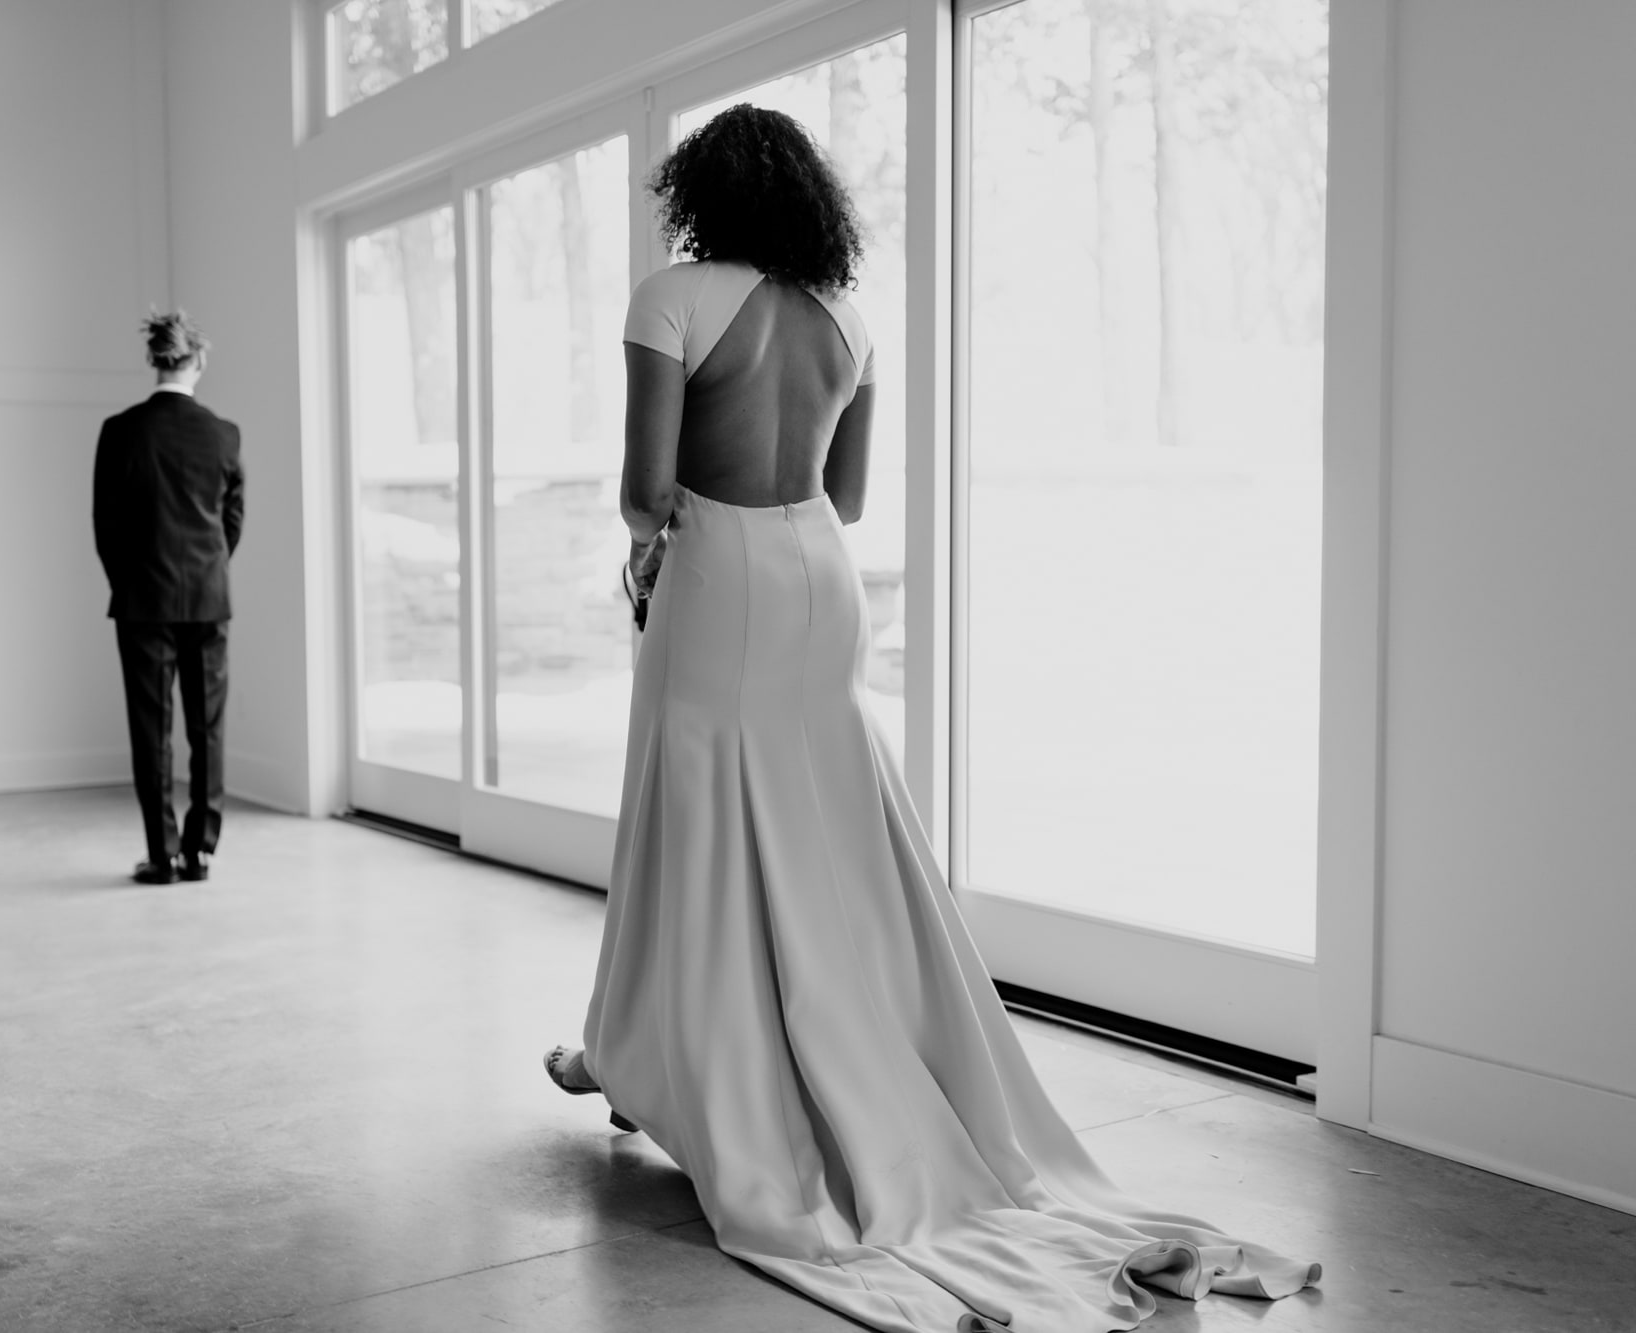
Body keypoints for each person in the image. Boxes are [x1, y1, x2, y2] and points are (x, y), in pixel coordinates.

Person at [543, 106, 1319, 1333]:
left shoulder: (671, 294)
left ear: (701, 193)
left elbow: (647, 494)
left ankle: (653, 1066)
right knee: (831, 825)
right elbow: (843, 495)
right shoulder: (848, 318)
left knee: (690, 816)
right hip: (818, 577)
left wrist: (643, 556)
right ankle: (733, 1057)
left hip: (721, 573)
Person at [92, 310, 244, 885]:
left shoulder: (121, 430)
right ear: (198, 361)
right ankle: (200, 852)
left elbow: (105, 524)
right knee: (207, 728)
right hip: (209, 599)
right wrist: (207, 568)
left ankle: (161, 854)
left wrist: (129, 579)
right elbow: (232, 521)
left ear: (154, 360)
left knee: (150, 729)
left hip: (141, 601)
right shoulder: (224, 434)